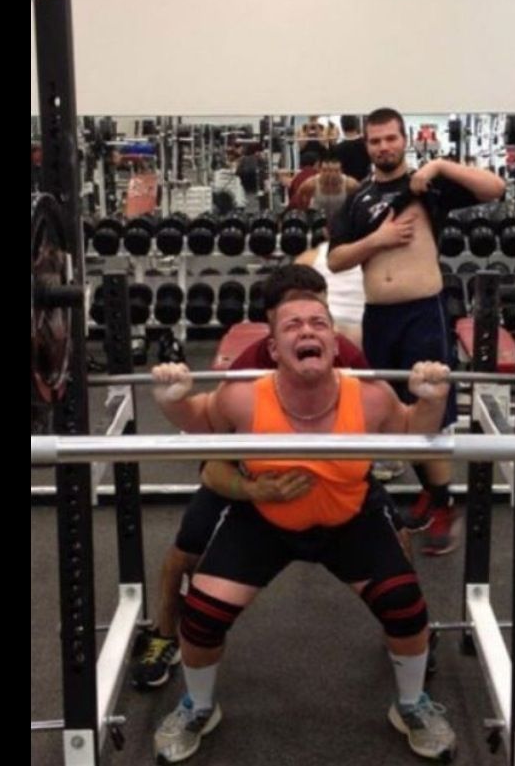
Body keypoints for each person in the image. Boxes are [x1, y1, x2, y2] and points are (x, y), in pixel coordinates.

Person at [153, 293, 457, 764]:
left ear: (334, 345)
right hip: (264, 521)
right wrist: (171, 399)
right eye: (293, 326)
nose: (308, 331)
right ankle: (198, 706)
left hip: (349, 518)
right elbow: (199, 419)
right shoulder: (243, 395)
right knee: (203, 616)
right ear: (273, 349)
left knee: (405, 609)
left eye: (319, 323)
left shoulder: (371, 395)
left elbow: (415, 431)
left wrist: (431, 400)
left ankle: (413, 704)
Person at [131, 265, 410, 690]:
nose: (310, 322)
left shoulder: (343, 354)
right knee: (185, 552)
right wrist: (251, 489)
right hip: (248, 473)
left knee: (397, 534)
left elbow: (377, 419)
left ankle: (404, 634)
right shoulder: (246, 371)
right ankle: (165, 633)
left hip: (333, 480)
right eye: (294, 315)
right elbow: (211, 462)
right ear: (272, 329)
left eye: (320, 309)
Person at [327, 107, 506, 555]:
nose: (383, 147)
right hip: (380, 318)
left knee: (430, 410)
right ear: (365, 145)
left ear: (404, 139)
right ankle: (433, 495)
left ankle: (444, 504)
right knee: (394, 416)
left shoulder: (428, 186)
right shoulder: (359, 198)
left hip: (422, 314)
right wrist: (378, 241)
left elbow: (496, 188)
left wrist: (441, 165)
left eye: (391, 138)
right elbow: (336, 259)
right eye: (375, 140)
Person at [295, 190, 364, 348]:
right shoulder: (372, 254)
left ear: (326, 232)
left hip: (330, 330)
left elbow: (289, 296)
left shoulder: (308, 258)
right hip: (352, 330)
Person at [291, 150, 360, 211]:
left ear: (341, 171)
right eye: (325, 170)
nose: (331, 174)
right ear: (319, 170)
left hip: (340, 220)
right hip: (318, 219)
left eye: (336, 171)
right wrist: (305, 211)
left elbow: (360, 201)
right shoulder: (311, 184)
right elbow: (299, 196)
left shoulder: (350, 184)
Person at [334, 114, 371, 181]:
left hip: (346, 186)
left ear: (342, 127)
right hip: (366, 184)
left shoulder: (337, 149)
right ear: (357, 125)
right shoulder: (366, 145)